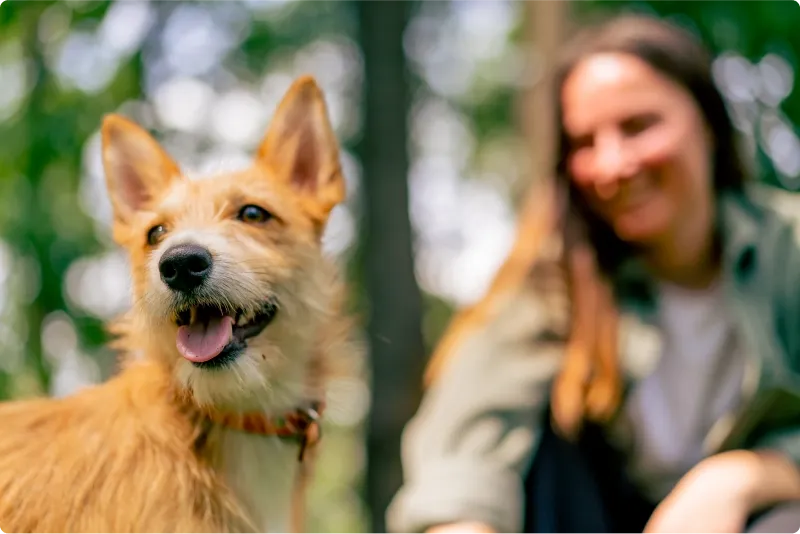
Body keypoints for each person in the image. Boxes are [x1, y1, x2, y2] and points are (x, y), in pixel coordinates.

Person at [386, 12, 800, 534]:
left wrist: (742, 478)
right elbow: (466, 445)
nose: (612, 166)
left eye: (638, 126)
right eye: (584, 142)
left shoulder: (789, 249)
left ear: (709, 124)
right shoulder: (553, 281)